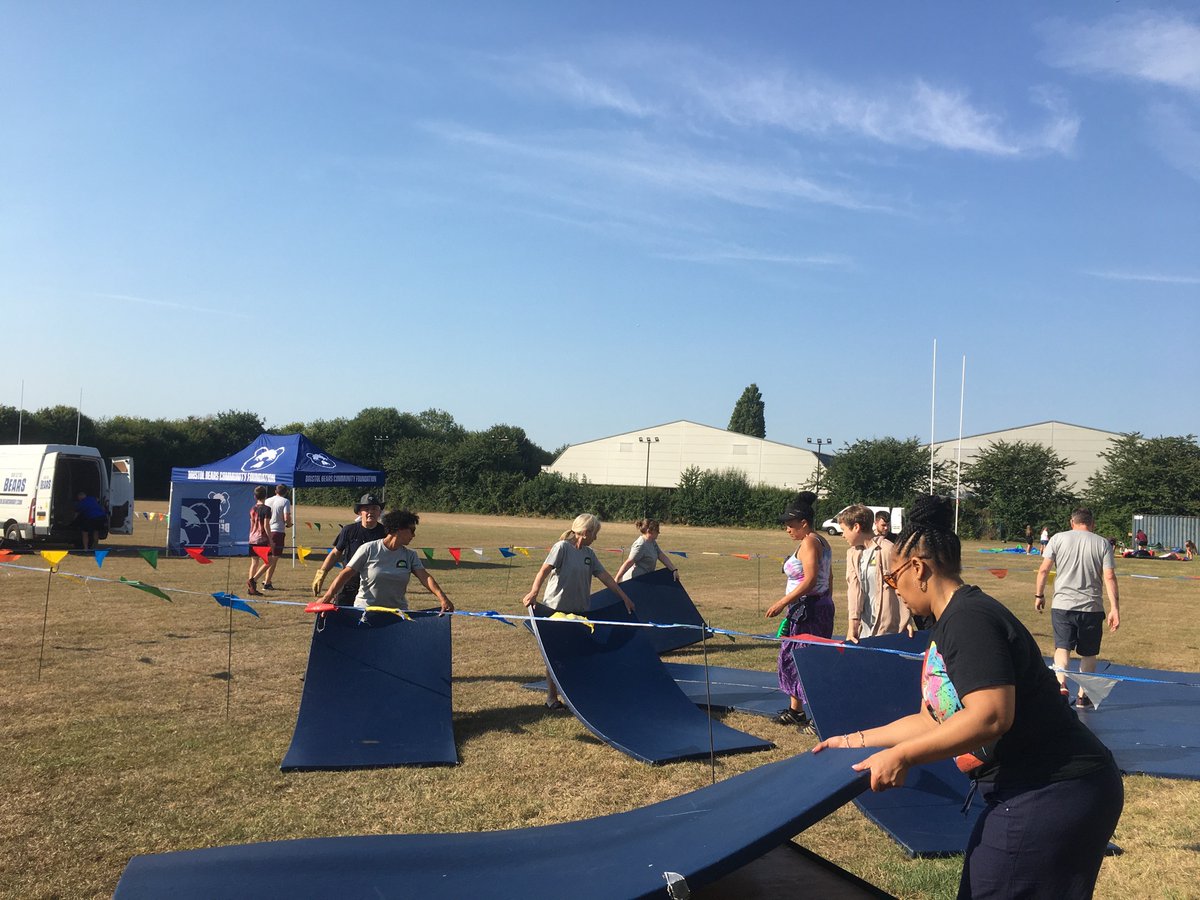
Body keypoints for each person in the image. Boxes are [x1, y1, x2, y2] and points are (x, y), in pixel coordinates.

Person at [814, 495, 1123, 899]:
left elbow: (991, 716)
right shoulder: (949, 623)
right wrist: (855, 740)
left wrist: (903, 756)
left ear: (919, 569)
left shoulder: (969, 620)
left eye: (893, 579)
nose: (895, 589)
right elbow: (932, 719)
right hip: (1034, 788)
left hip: (1054, 788)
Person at [521, 514, 635, 709]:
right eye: (595, 533)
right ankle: (551, 698)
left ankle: (576, 696)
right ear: (586, 532)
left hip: (579, 612)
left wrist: (624, 597)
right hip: (555, 610)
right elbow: (544, 571)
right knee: (555, 654)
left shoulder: (589, 554)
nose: (596, 538)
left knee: (576, 653)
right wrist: (534, 591)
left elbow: (605, 577)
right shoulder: (562, 548)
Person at [1035, 508, 1121, 708]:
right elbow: (1109, 577)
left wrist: (1039, 595)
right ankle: (1083, 695)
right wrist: (1114, 608)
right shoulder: (1102, 543)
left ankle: (1060, 684)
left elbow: (1043, 570)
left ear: (1071, 522)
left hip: (1062, 605)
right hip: (1091, 607)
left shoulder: (1057, 539)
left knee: (1062, 647)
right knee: (1088, 652)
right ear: (1092, 523)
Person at [765, 492, 834, 729]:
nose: (787, 529)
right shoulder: (820, 541)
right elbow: (829, 577)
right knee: (793, 657)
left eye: (790, 525)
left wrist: (782, 602)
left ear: (804, 523)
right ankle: (796, 711)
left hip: (810, 610)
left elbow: (811, 580)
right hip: (811, 607)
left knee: (805, 661)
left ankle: (819, 715)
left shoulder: (810, 543)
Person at [319, 509, 453, 614]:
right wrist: (326, 599)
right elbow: (346, 574)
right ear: (398, 530)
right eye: (411, 531)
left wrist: (443, 598)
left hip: (397, 614)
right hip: (366, 612)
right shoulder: (368, 549)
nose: (413, 535)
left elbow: (425, 577)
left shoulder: (410, 555)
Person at [837, 504, 911, 641]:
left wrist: (907, 619)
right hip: (864, 627)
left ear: (856, 527)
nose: (842, 535)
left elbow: (904, 585)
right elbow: (854, 590)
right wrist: (852, 626)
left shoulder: (888, 550)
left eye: (844, 530)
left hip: (888, 626)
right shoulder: (852, 554)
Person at [311, 494, 387, 605]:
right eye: (366, 509)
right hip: (348, 584)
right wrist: (321, 573)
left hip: (374, 586)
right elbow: (335, 553)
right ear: (360, 513)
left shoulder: (385, 532)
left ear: (379, 512)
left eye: (374, 509)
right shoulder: (348, 530)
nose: (371, 512)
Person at [613, 518, 680, 583]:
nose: (658, 532)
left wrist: (673, 569)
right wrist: (617, 579)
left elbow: (661, 555)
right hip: (634, 581)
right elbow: (629, 562)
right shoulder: (640, 545)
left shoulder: (652, 542)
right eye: (656, 530)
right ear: (649, 531)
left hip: (646, 579)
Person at [261, 484, 292, 590]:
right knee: (274, 559)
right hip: (277, 531)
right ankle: (266, 582)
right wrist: (289, 524)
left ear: (275, 491)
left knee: (268, 557)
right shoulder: (285, 501)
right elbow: (286, 516)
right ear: (286, 492)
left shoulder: (268, 500)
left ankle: (265, 579)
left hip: (267, 530)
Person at [246, 486, 272, 596]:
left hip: (252, 538)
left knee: (254, 562)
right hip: (262, 539)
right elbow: (266, 526)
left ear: (255, 496)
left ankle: (251, 588)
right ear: (265, 496)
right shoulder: (267, 509)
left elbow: (252, 524)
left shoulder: (252, 509)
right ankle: (253, 580)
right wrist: (271, 540)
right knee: (268, 562)